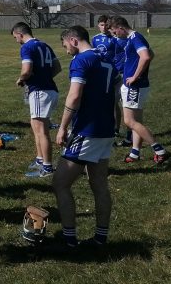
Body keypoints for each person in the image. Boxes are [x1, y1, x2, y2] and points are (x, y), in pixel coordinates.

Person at [54, 26, 116, 248]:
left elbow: (74, 96)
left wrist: (62, 127)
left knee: (60, 183)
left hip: (87, 130)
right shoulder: (106, 57)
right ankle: (100, 238)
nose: (66, 50)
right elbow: (114, 95)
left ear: (73, 40)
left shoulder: (81, 61)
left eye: (65, 45)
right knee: (99, 184)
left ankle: (69, 239)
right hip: (106, 128)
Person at [109, 16, 171, 165]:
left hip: (135, 86)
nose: (115, 35)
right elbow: (151, 54)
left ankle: (160, 150)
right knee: (136, 121)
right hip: (134, 85)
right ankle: (135, 152)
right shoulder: (133, 38)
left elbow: (146, 56)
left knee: (129, 121)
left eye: (115, 32)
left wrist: (135, 76)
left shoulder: (136, 37)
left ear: (121, 27)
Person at [11, 22, 61, 177]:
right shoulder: (44, 45)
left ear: (20, 34)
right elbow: (57, 67)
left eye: (15, 37)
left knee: (42, 131)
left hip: (40, 92)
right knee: (35, 127)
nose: (16, 40)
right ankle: (40, 159)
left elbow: (26, 70)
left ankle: (47, 167)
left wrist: (21, 79)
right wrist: (45, 77)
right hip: (49, 90)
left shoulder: (26, 47)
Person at [91, 15, 126, 142]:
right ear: (98, 26)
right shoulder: (95, 39)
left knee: (114, 102)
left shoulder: (116, 38)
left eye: (106, 24)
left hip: (115, 74)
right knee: (103, 101)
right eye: (101, 25)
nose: (104, 27)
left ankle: (116, 128)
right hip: (101, 74)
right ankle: (105, 126)